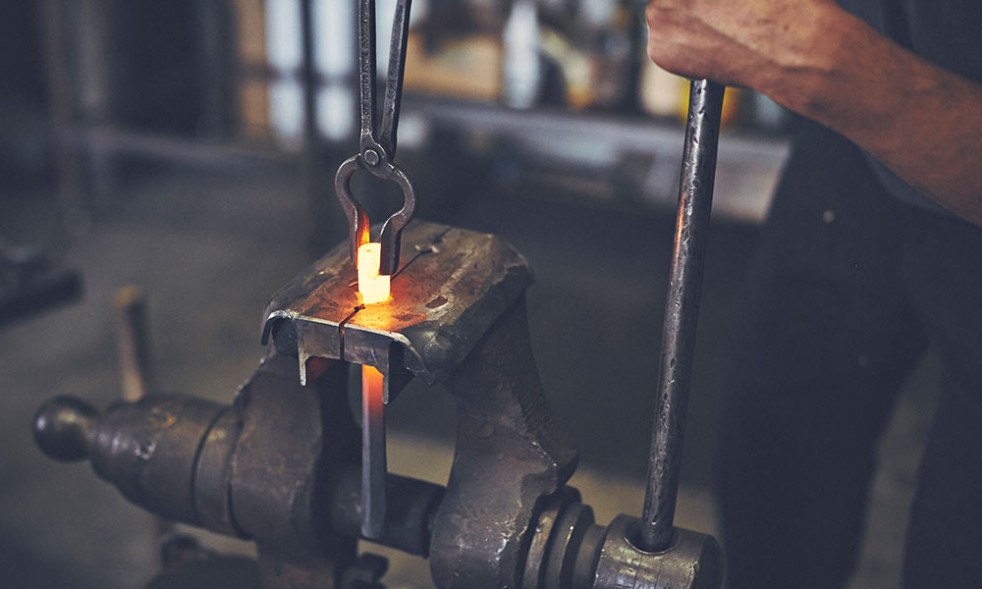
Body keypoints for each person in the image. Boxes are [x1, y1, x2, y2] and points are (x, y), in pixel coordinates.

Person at [644, 1, 982, 587]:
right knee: (775, 468)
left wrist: (817, 58)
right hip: (856, 124)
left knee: (958, 544)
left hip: (928, 117)